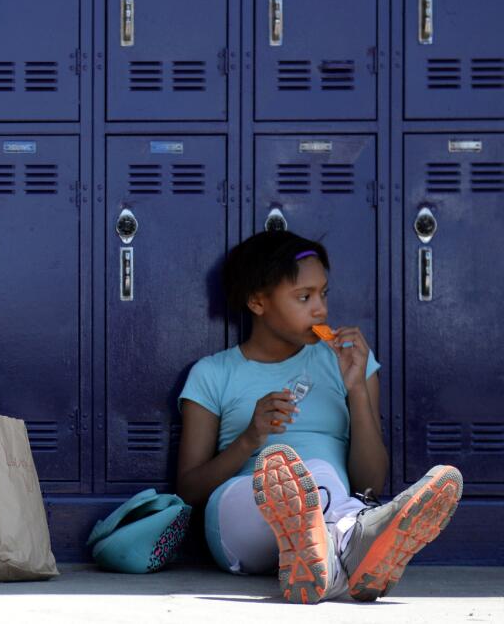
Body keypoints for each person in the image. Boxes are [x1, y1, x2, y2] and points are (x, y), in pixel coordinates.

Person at [176, 230, 462, 604]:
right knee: (313, 476)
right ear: (258, 302)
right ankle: (357, 541)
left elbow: (370, 480)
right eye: (304, 297)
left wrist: (357, 388)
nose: (321, 311)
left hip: (332, 503)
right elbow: (188, 491)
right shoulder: (213, 374)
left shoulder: (349, 363)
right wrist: (249, 438)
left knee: (325, 485)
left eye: (323, 293)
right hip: (240, 523)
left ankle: (324, 560)